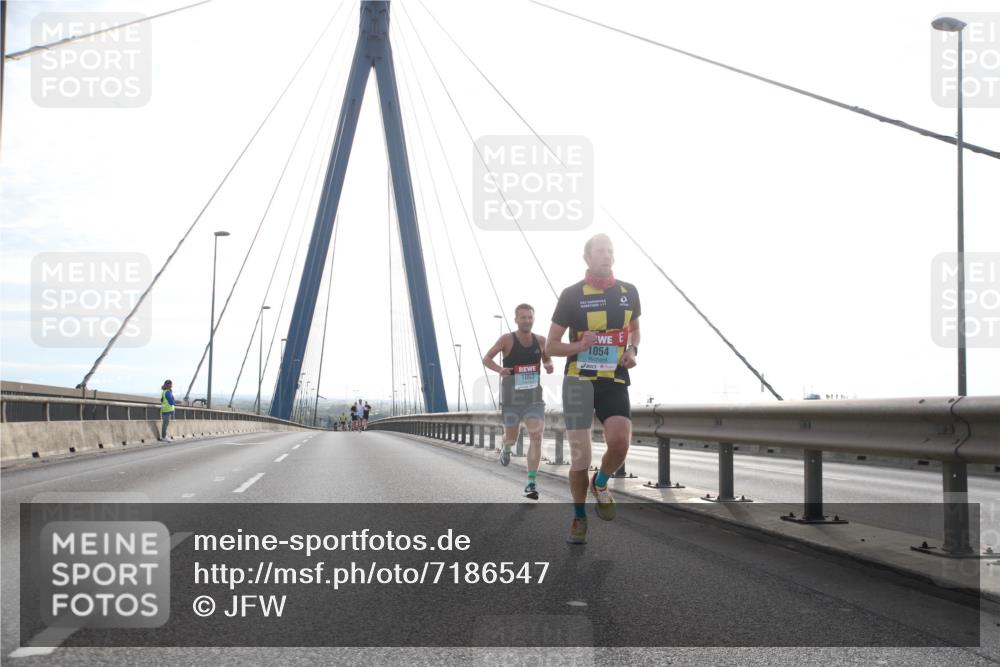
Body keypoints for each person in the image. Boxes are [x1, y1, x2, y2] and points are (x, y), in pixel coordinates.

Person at [546, 234, 640, 544]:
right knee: (580, 458)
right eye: (600, 251)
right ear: (587, 258)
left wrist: (633, 350)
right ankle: (579, 516)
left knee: (620, 442)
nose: (607, 256)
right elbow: (551, 346)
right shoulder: (571, 295)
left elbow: (635, 330)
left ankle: (600, 483)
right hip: (579, 381)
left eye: (610, 251)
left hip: (614, 379)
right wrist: (578, 345)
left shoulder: (628, 292)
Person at [483, 304, 554, 499]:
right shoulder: (507, 339)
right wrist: (500, 370)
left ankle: (531, 483)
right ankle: (506, 448)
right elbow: (486, 358)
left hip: (534, 398)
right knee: (512, 438)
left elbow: (547, 359)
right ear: (516, 320)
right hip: (512, 399)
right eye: (523, 317)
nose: (527, 321)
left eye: (530, 317)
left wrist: (548, 365)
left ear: (533, 319)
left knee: (536, 436)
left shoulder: (541, 340)